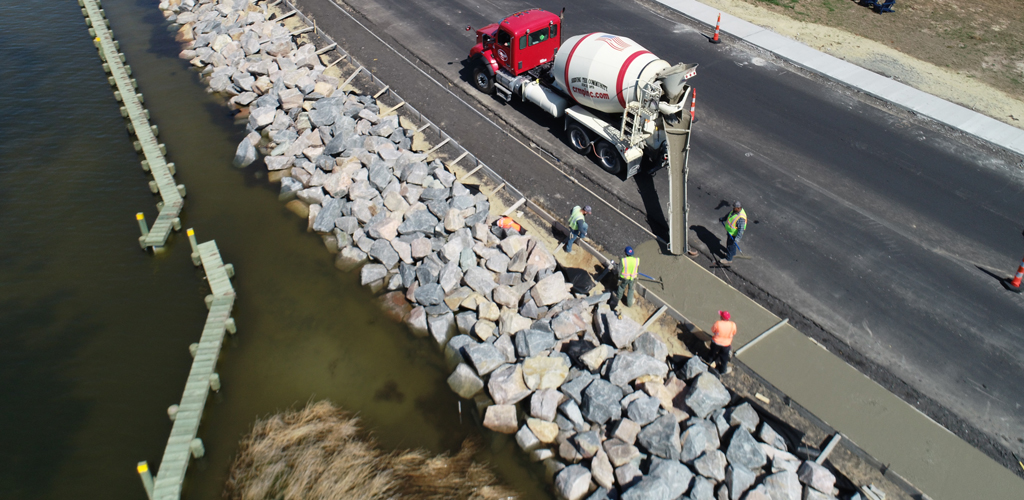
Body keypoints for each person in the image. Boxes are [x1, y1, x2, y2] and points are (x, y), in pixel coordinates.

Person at [614, 246, 639, 318]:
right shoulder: (636, 260)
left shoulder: (623, 260)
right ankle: (629, 304)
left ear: (625, 253)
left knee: (621, 288)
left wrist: (618, 276)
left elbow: (619, 270)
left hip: (624, 278)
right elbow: (638, 270)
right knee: (631, 290)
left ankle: (618, 298)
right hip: (633, 278)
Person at [709, 310, 737, 375]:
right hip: (726, 345)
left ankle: (708, 362)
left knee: (711, 353)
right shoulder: (733, 325)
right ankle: (723, 370)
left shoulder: (718, 323)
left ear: (721, 317)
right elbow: (734, 332)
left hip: (716, 343)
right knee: (724, 358)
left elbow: (713, 330)